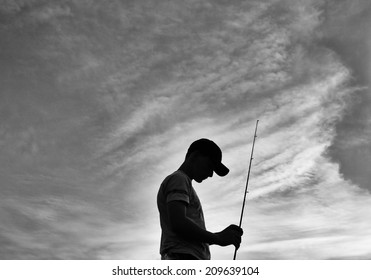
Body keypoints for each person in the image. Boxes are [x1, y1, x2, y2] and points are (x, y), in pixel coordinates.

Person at [157, 138, 243, 260]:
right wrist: (218, 238)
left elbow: (187, 232)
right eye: (210, 166)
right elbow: (178, 223)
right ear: (195, 155)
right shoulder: (179, 179)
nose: (211, 174)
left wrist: (219, 236)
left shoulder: (183, 182)